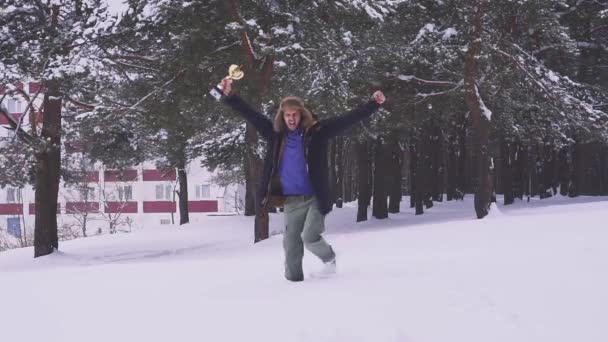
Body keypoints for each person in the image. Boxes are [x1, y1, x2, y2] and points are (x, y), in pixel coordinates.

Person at [217, 77, 386, 281]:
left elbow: (346, 120)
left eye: (294, 114)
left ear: (301, 115)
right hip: (291, 201)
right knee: (291, 245)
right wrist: (229, 96)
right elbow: (251, 115)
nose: (291, 119)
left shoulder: (317, 133)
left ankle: (330, 257)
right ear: (282, 116)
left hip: (314, 198)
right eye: (287, 115)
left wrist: (373, 104)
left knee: (309, 237)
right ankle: (294, 283)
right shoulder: (275, 135)